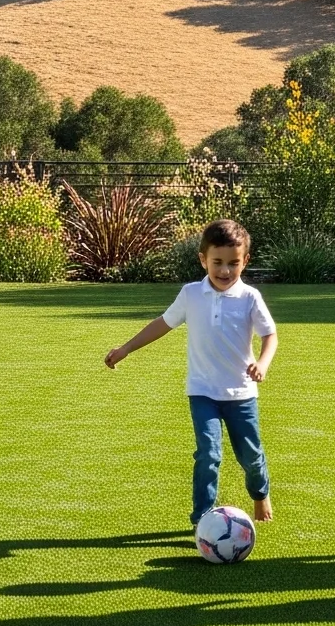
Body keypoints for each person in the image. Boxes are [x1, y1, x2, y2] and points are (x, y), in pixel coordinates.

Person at [104, 218, 278, 533]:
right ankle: (202, 519)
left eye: (233, 263)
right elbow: (163, 323)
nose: (225, 270)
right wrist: (126, 348)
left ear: (245, 261)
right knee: (208, 453)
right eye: (217, 262)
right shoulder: (191, 294)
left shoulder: (250, 297)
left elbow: (270, 335)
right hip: (202, 391)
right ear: (203, 259)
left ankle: (260, 493)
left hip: (241, 393)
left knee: (251, 456)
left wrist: (263, 364)